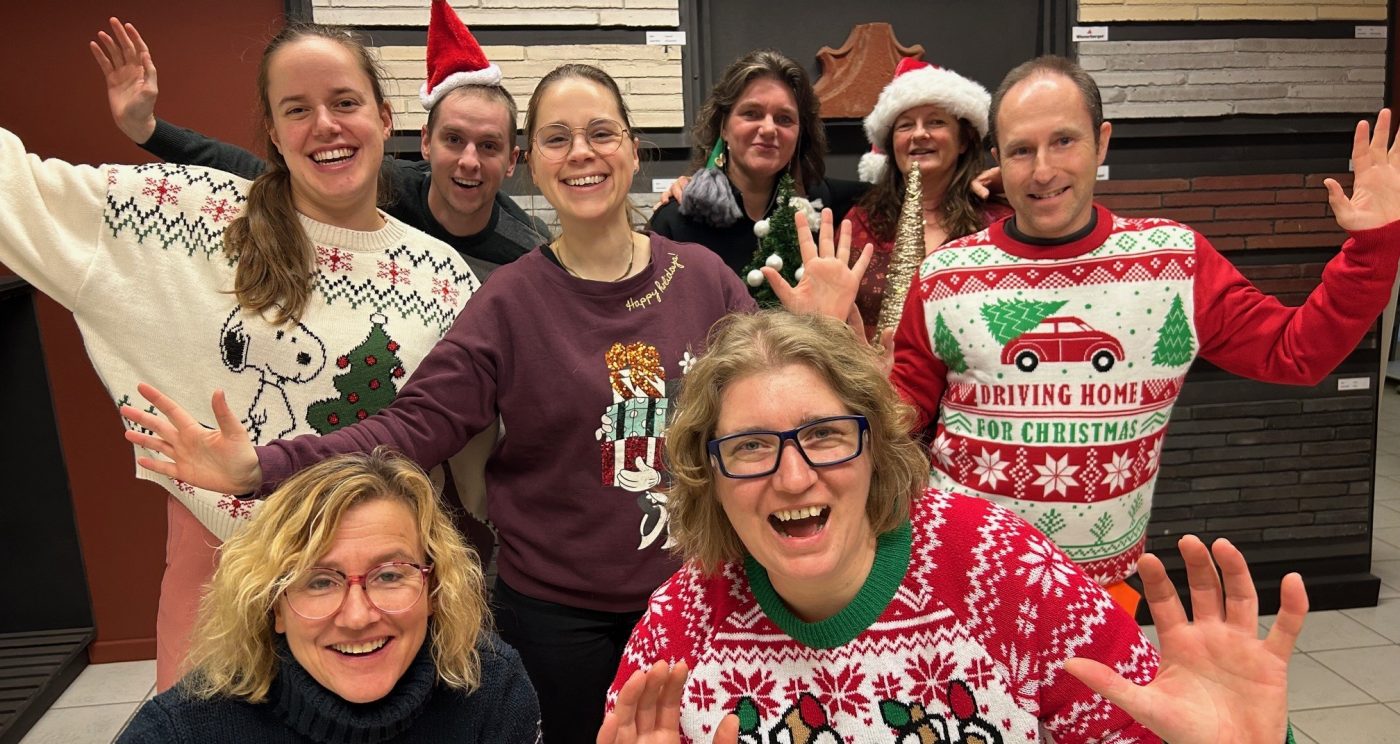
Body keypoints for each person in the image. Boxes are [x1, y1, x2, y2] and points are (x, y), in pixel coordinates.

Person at [118, 63, 865, 743]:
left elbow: (781, 419)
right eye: (557, 138)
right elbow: (413, 427)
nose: (581, 152)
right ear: (532, 163)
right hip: (556, 619)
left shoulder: (703, 279)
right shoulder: (508, 301)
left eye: (601, 132)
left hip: (702, 594)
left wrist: (824, 338)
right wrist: (258, 466)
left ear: (634, 151)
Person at [0, 22, 478, 690]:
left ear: (384, 117)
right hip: (220, 567)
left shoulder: (442, 278)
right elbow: (17, 191)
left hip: (378, 585)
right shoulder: (190, 216)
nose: (325, 126)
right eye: (297, 109)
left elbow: (476, 452)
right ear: (274, 133)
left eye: (344, 102)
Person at [606, 310, 1307, 744]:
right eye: (750, 447)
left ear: (877, 449)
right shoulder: (678, 631)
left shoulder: (998, 566)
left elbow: (1151, 728)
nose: (793, 478)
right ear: (708, 476)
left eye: (825, 435)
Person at [890, 54, 1400, 599]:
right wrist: (840, 355)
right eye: (1021, 150)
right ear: (998, 158)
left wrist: (1373, 247)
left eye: (1064, 141)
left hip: (1103, 591)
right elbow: (897, 418)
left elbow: (1295, 353)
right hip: (963, 580)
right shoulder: (945, 274)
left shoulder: (1174, 260)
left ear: (1101, 143)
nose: (1042, 170)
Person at [92, 1, 546, 282]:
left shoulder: (527, 251)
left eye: (489, 146)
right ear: (426, 143)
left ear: (512, 160)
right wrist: (147, 128)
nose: (469, 161)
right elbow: (248, 170)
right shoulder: (379, 185)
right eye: (453, 139)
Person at [117, 449, 540, 743]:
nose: (357, 617)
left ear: (433, 589)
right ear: (274, 606)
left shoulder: (492, 692)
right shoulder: (181, 731)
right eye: (319, 582)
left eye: (390, 575)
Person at [649, 49, 867, 276]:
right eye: (752, 113)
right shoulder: (677, 220)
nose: (769, 129)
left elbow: (889, 193)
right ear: (724, 127)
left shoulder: (820, 202)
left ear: (800, 133)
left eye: (784, 118)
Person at [847, 57, 1013, 341]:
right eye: (905, 125)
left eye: (936, 122)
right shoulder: (861, 222)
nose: (920, 134)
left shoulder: (998, 221)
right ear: (891, 144)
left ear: (963, 141)